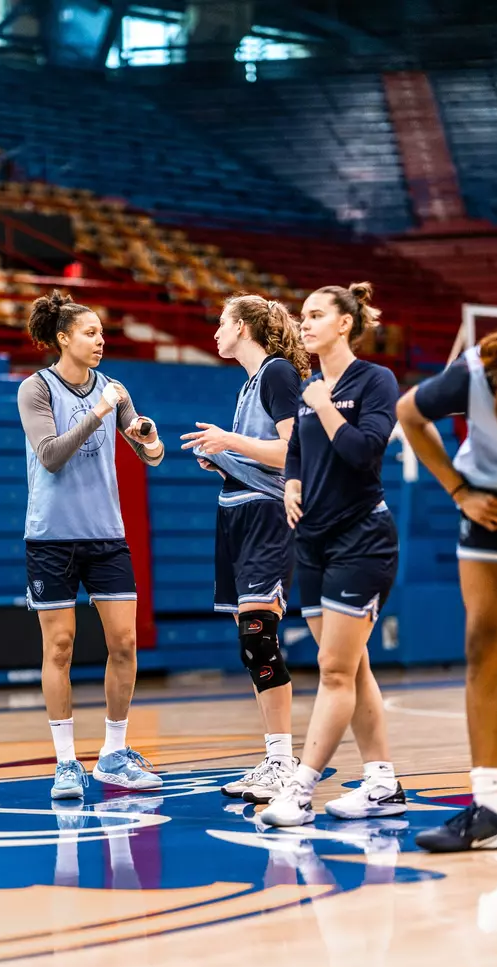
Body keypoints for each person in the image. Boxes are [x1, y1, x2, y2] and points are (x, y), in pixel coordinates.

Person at [260, 282, 405, 827]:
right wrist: (293, 482)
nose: (305, 323)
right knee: (353, 665)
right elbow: (297, 449)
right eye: (303, 315)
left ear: (345, 323)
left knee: (334, 670)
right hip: (314, 542)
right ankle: (382, 783)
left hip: (361, 539)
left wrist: (325, 409)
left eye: (316, 314)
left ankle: (300, 791)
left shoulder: (375, 380)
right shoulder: (308, 387)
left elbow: (365, 452)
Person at [20, 289, 165, 800]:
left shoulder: (115, 391)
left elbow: (151, 455)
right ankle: (65, 763)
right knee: (59, 647)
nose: (101, 341)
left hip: (107, 536)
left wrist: (147, 437)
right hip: (52, 538)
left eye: (102, 333)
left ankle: (113, 753)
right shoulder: (35, 389)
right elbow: (52, 456)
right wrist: (101, 412)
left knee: (123, 643)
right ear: (63, 339)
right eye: (90, 332)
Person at [181, 294, 308, 803]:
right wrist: (224, 459)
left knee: (259, 633)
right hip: (236, 510)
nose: (215, 331)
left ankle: (282, 761)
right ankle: (275, 758)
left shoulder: (277, 372)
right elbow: (261, 453)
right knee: (249, 640)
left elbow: (293, 451)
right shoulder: (251, 383)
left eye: (221, 323)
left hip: (266, 514)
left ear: (243, 326)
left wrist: (230, 443)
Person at [397, 321, 497, 851]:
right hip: (491, 506)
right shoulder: (472, 373)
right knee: (483, 647)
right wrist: (459, 491)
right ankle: (488, 809)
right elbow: (408, 414)